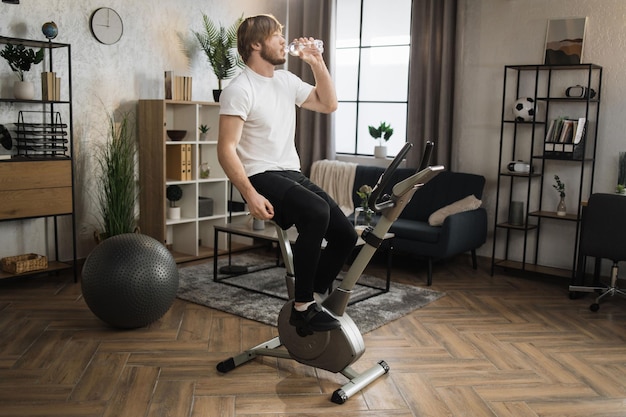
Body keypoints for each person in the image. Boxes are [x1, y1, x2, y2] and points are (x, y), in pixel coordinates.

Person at [217, 14, 357, 334]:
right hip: (259, 175)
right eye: (276, 36)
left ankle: (314, 297)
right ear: (255, 44)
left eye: (282, 35)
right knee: (316, 211)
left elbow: (329, 104)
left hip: (289, 172)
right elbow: (226, 149)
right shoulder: (239, 89)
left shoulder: (285, 81)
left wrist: (316, 61)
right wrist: (249, 194)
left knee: (345, 236)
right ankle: (302, 307)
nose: (284, 40)